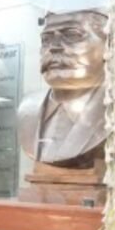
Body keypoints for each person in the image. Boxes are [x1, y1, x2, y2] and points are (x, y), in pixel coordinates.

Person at [18, 10, 108, 165]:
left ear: (108, 46)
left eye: (72, 35)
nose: (53, 47)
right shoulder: (27, 109)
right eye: (46, 39)